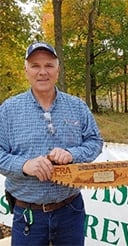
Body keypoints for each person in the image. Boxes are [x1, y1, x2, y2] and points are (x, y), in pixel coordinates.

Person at [0, 41, 103, 246]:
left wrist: (72, 154)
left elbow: (95, 141)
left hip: (70, 211)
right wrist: (24, 166)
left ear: (57, 69)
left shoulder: (77, 107)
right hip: (28, 214)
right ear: (26, 70)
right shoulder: (8, 110)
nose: (42, 72)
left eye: (48, 65)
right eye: (35, 66)